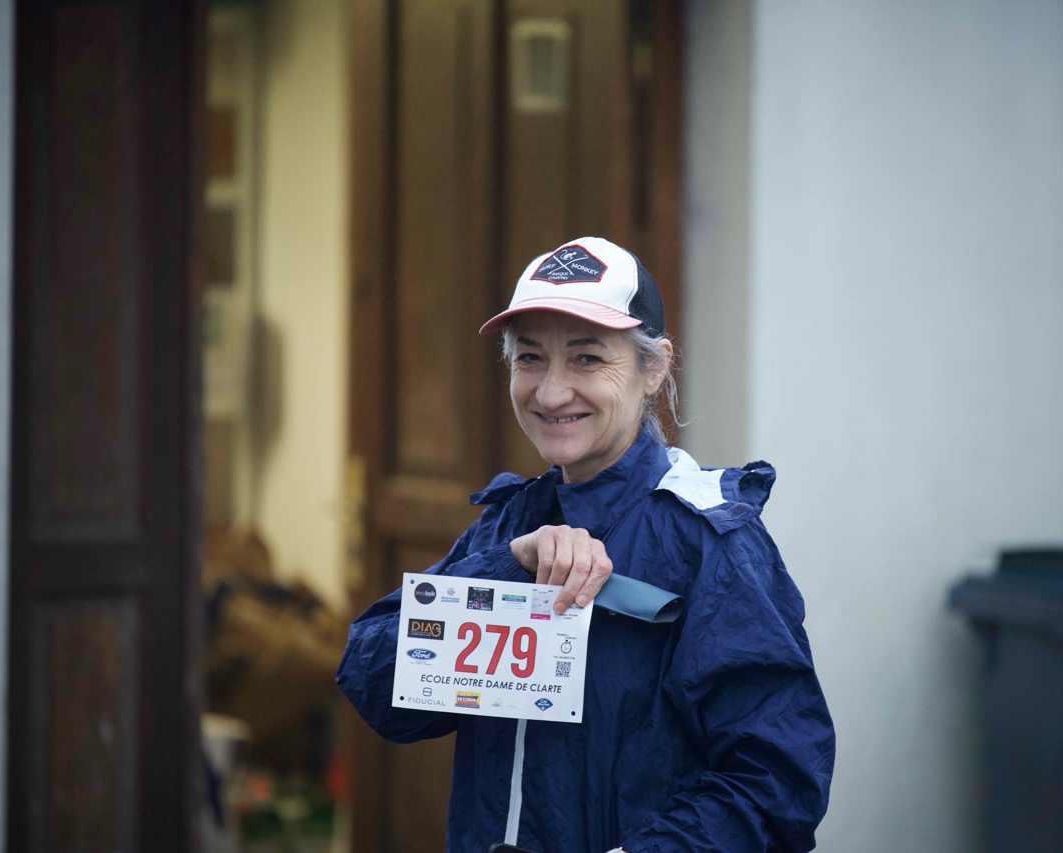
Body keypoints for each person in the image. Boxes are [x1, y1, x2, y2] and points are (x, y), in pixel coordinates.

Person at [336, 237, 835, 852]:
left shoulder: (711, 543)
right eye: (529, 358)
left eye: (587, 359)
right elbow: (377, 688)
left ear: (654, 368)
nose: (550, 393)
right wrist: (507, 570)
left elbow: (777, 784)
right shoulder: (508, 525)